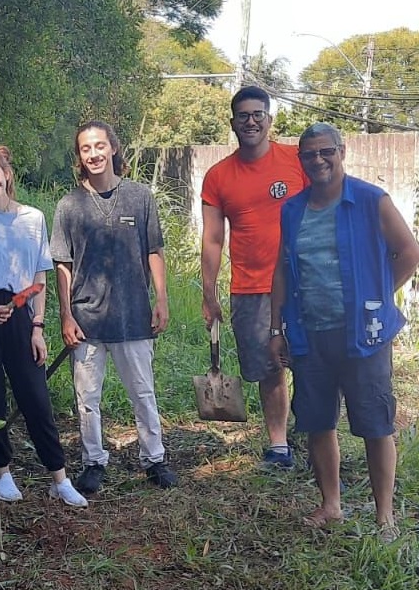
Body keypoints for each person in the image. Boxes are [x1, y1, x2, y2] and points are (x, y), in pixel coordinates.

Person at [269, 122, 419, 542]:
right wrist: (275, 326)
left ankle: (384, 516)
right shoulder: (293, 210)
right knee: (318, 420)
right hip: (309, 333)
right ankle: (331, 504)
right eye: (309, 154)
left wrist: (376, 293)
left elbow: (409, 252)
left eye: (325, 152)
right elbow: (282, 268)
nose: (318, 160)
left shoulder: (372, 201)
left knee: (375, 422)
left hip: (364, 335)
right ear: (300, 161)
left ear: (341, 152)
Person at [0, 145, 87, 508]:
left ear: (7, 174)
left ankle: (59, 476)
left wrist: (37, 326)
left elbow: (38, 276)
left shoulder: (33, 218)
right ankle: (1, 470)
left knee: (35, 396)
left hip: (20, 312)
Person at [50, 120, 176, 494]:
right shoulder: (69, 205)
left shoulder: (140, 196)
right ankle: (93, 461)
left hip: (134, 314)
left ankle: (154, 458)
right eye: (86, 148)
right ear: (79, 156)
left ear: (114, 148)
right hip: (86, 318)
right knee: (87, 398)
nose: (94, 154)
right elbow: (62, 263)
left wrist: (162, 299)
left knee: (143, 392)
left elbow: (154, 250)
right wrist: (66, 314)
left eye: (100, 146)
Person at [201, 86, 308, 468]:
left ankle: (311, 434)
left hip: (302, 285)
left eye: (257, 114)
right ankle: (278, 445)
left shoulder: (297, 160)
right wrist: (209, 292)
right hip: (250, 288)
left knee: (312, 363)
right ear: (232, 123)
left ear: (269, 119)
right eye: (243, 115)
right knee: (269, 368)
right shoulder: (218, 176)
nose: (250, 121)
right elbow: (213, 238)